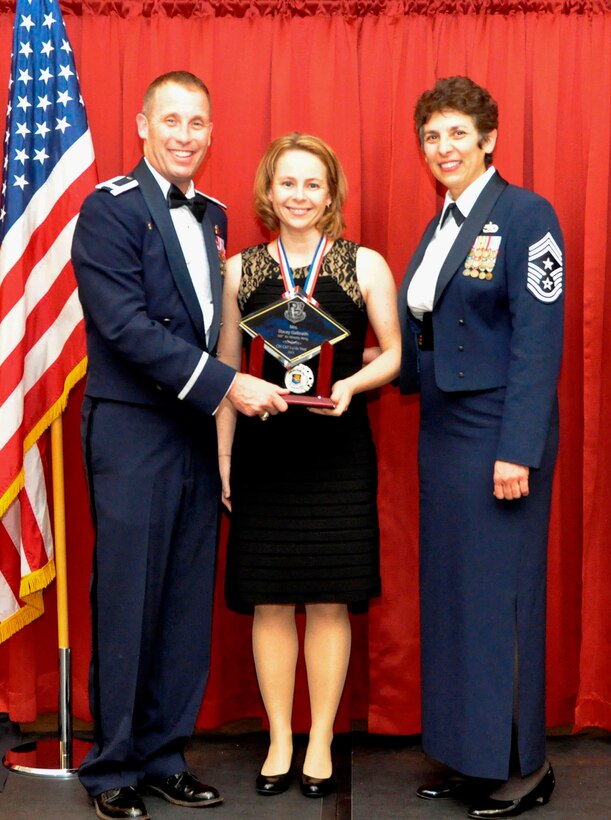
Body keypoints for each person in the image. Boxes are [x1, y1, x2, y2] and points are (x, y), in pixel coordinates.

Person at [72, 71, 288, 820]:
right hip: (133, 427)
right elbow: (124, 328)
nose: (186, 134)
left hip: (194, 430)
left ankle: (165, 755)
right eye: (172, 120)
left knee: (184, 601)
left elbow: (218, 321)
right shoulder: (107, 210)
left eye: (198, 122)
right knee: (130, 596)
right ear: (142, 124)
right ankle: (112, 769)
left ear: (212, 131)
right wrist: (229, 385)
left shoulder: (217, 214)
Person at [398, 76, 564, 819]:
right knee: (458, 601)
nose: (445, 148)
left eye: (458, 133)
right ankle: (472, 757)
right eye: (432, 136)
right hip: (442, 435)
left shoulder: (528, 216)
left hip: (498, 432)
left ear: (489, 138)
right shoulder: (440, 224)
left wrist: (517, 450)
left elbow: (537, 341)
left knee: (503, 602)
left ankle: (525, 769)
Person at [215, 133, 400, 799]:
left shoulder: (365, 264)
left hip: (336, 451)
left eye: (312, 185)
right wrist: (226, 459)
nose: (299, 196)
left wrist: (353, 386)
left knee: (327, 601)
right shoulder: (239, 270)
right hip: (265, 453)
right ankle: (279, 738)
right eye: (287, 183)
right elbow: (227, 373)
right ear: (269, 191)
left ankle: (320, 737)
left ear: (331, 196)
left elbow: (393, 353)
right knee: (268, 601)